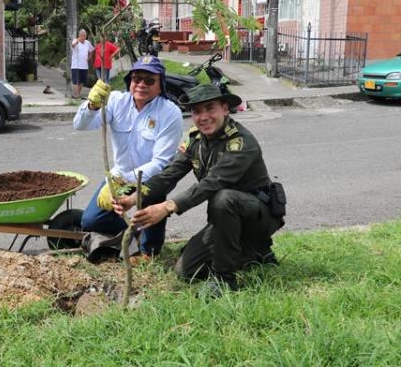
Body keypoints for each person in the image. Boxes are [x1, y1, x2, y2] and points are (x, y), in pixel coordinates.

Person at [113, 84, 285, 297]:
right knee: (185, 271)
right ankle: (253, 252)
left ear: (225, 108)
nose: (203, 117)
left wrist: (167, 207)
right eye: (196, 111)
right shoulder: (195, 140)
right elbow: (170, 174)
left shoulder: (241, 142)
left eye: (210, 108)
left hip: (258, 214)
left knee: (223, 198)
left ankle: (225, 280)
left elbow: (211, 183)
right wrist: (134, 197)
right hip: (226, 219)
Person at [74, 55, 183, 258]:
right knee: (91, 221)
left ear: (161, 85)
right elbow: (81, 125)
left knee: (149, 208)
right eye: (136, 78)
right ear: (129, 81)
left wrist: (130, 188)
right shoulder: (116, 100)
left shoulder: (170, 113)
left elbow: (160, 163)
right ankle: (133, 231)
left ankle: (148, 251)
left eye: (149, 80)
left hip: (151, 178)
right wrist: (92, 106)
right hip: (119, 175)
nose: (141, 84)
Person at [71, 29, 94, 99]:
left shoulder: (87, 43)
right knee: (76, 81)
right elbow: (73, 45)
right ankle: (77, 95)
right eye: (83, 36)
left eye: (85, 36)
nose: (84, 37)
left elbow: (92, 50)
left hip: (84, 66)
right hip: (76, 65)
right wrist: (77, 41)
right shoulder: (75, 40)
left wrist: (89, 58)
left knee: (82, 82)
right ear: (79, 35)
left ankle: (77, 94)